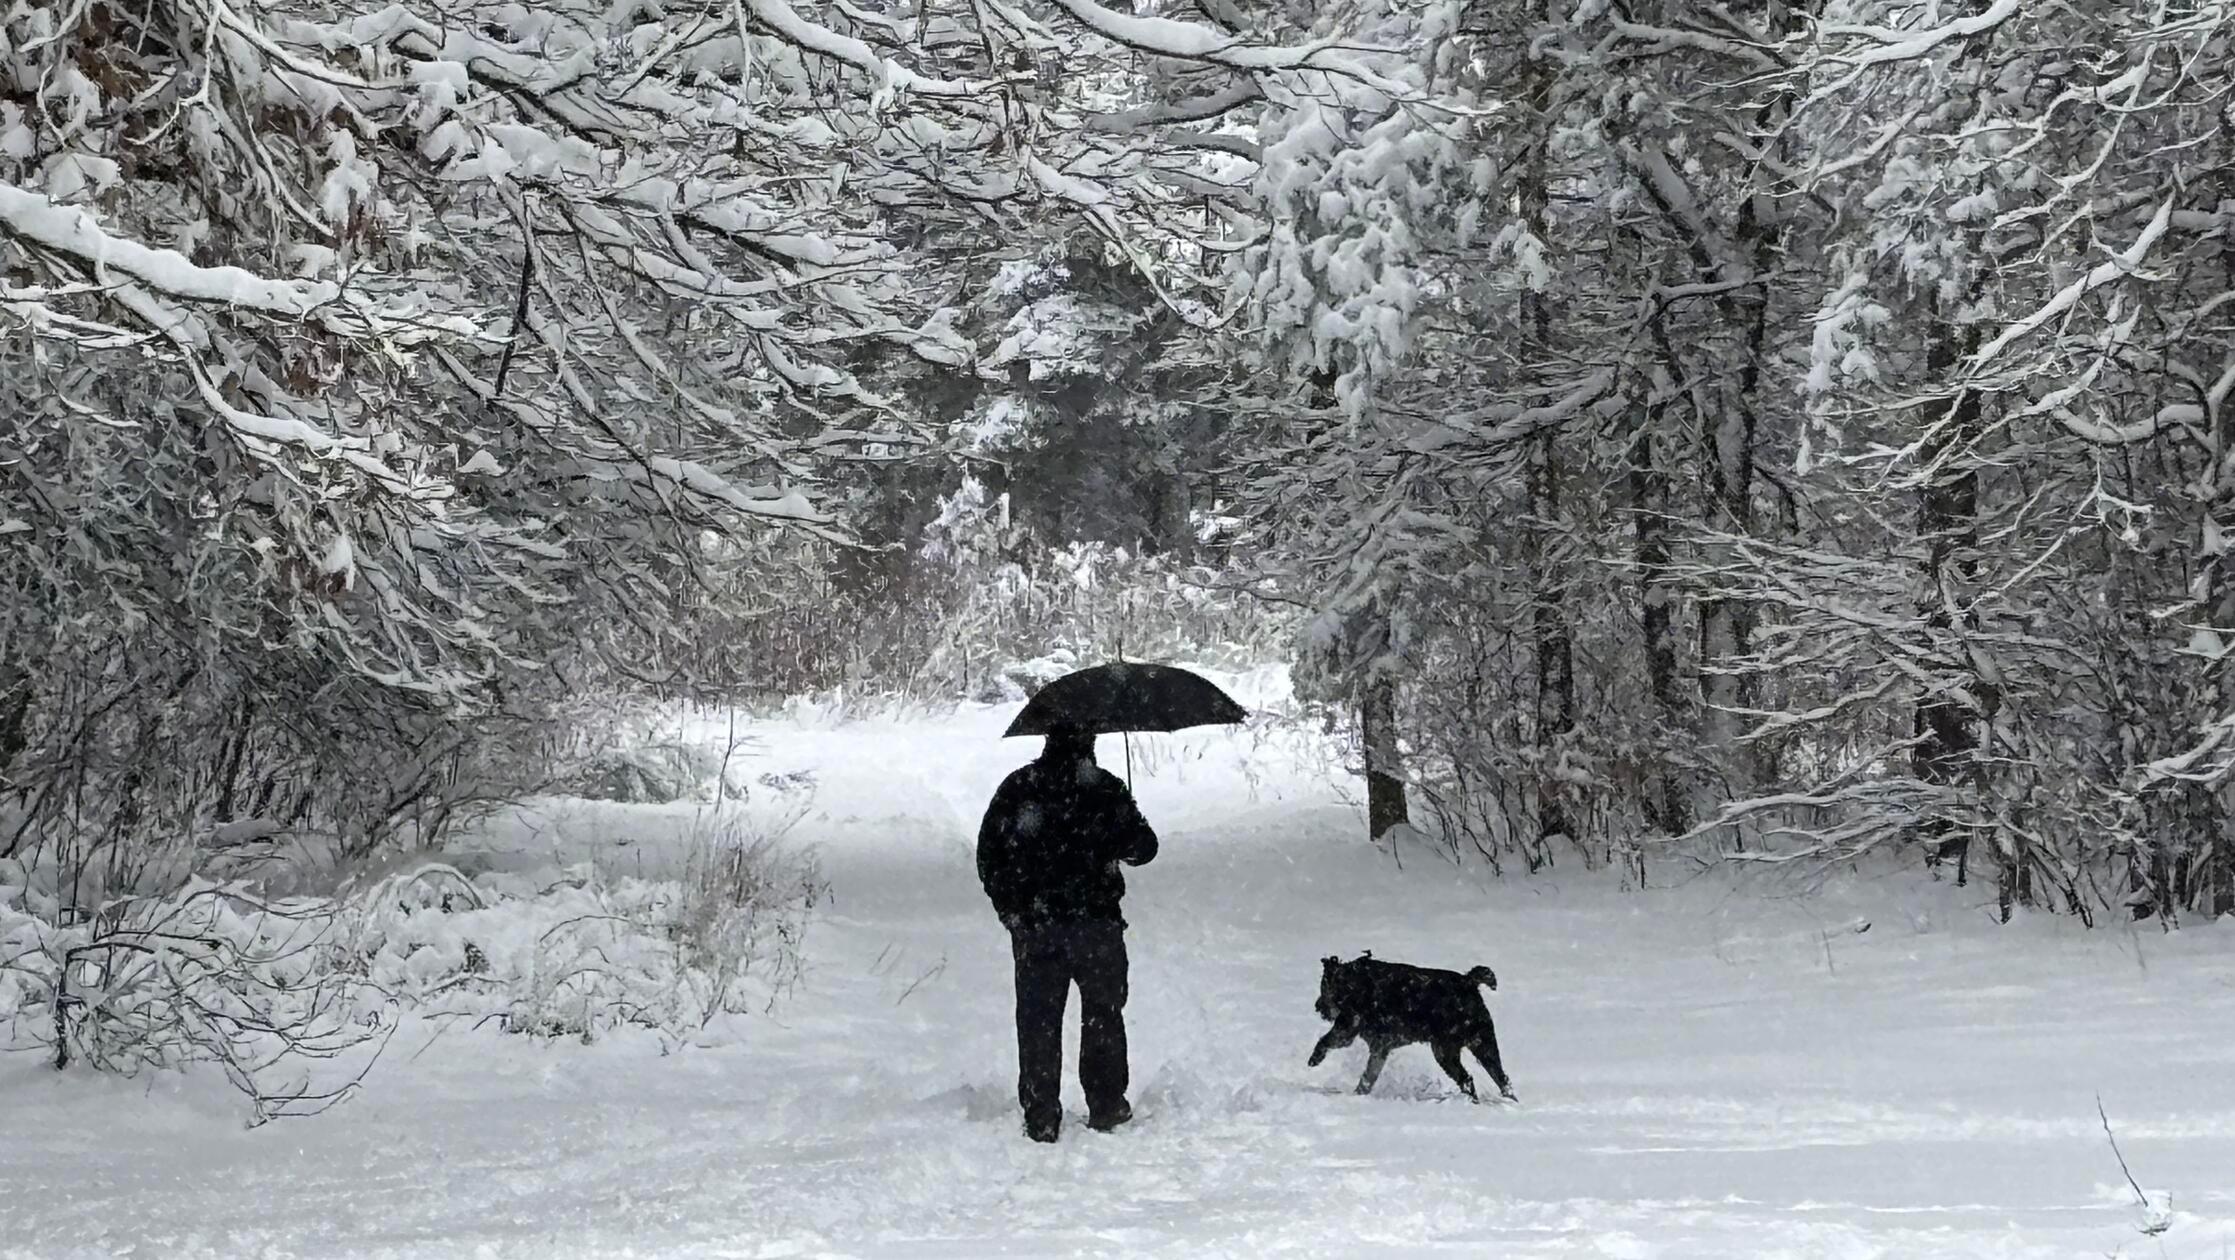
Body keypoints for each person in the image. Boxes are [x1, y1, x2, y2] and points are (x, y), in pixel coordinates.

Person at [976, 727, 1160, 1143]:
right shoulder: (1105, 789)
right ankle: (1107, 1103)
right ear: (1090, 745)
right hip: (1096, 925)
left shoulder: (1019, 787)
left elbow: (989, 857)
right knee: (1103, 1014)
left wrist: (1013, 912)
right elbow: (1145, 849)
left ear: (1046, 740)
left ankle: (1041, 1115)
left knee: (1038, 1020)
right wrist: (1125, 831)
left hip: (1037, 929)